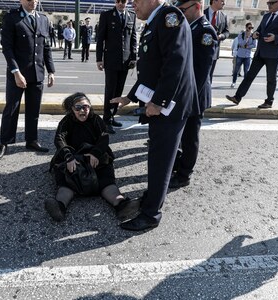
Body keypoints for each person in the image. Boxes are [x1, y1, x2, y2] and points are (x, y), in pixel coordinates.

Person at [111, 0, 199, 231]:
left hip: (170, 106)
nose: (133, 6)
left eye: (136, 1)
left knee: (160, 159)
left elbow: (175, 64)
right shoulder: (156, 21)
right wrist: (130, 97)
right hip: (163, 103)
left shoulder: (170, 17)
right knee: (157, 155)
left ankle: (151, 215)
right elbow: (151, 68)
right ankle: (152, 198)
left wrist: (159, 103)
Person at [46, 92, 141, 222]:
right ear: (72, 109)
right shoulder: (66, 121)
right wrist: (68, 157)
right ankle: (59, 207)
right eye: (77, 107)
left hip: (95, 156)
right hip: (73, 156)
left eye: (85, 107)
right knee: (67, 181)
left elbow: (104, 138)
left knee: (106, 179)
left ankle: (121, 205)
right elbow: (59, 138)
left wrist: (95, 153)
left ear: (90, 107)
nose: (82, 110)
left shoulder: (96, 119)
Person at [0, 0, 55, 160]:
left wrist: (51, 71)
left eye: (36, 0)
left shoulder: (43, 19)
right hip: (17, 75)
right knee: (11, 108)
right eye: (29, 0)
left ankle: (31, 140)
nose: (33, 2)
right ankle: (4, 142)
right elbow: (7, 48)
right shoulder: (12, 18)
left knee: (34, 109)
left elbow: (46, 47)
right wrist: (16, 72)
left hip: (37, 74)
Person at [169, 0, 217, 189]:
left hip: (195, 96)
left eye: (183, 10)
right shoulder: (189, 27)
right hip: (185, 94)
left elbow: (202, 72)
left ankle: (184, 174)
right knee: (182, 136)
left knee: (190, 138)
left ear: (197, 6)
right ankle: (179, 165)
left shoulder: (205, 31)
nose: (180, 13)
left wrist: (188, 98)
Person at [226, 0, 278, 109]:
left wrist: (276, 38)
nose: (269, 5)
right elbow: (258, 30)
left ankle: (269, 101)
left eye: (271, 3)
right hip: (260, 52)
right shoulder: (267, 15)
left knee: (271, 79)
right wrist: (255, 34)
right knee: (249, 76)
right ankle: (237, 97)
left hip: (274, 54)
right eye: (268, 3)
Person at [96, 0, 137, 134]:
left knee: (119, 90)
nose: (120, 4)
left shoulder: (132, 15)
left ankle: (112, 116)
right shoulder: (107, 15)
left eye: (123, 1)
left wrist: (133, 57)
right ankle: (106, 120)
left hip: (125, 61)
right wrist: (99, 59)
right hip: (111, 60)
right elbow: (100, 38)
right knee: (110, 90)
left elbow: (134, 38)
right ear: (115, 2)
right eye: (118, 1)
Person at [204, 0, 229, 83]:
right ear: (214, 1)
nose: (224, 3)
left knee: (209, 78)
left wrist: (221, 36)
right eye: (222, 1)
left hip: (214, 51)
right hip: (200, 50)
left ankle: (206, 95)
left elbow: (227, 32)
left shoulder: (223, 16)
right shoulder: (202, 14)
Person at [231, 22, 257, 88]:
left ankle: (244, 85)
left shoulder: (253, 35)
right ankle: (233, 82)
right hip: (240, 55)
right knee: (236, 70)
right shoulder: (241, 34)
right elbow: (240, 43)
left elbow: (254, 45)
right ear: (246, 27)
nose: (251, 29)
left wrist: (246, 46)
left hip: (247, 56)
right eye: (249, 28)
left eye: (252, 28)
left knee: (246, 71)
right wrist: (247, 38)